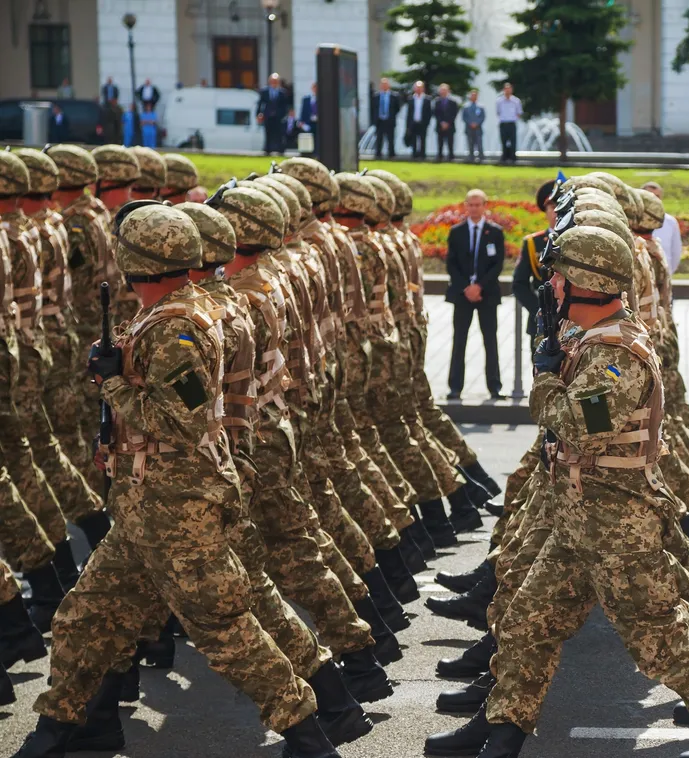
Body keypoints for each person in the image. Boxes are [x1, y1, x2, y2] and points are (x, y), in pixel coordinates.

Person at [9, 202, 341, 758]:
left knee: (225, 630)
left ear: (136, 260)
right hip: (147, 502)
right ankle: (63, 728)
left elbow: (180, 422)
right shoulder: (166, 313)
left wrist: (112, 384)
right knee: (83, 617)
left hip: (177, 507)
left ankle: (308, 735)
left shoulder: (180, 328)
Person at [477, 221, 689, 758]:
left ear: (585, 281)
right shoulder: (594, 338)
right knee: (527, 621)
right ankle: (502, 736)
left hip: (618, 522)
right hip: (579, 514)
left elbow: (578, 423)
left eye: (558, 277)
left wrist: (544, 378)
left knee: (659, 640)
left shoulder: (618, 357)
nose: (550, 286)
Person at [445, 189, 506, 400]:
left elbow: (498, 264)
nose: (474, 208)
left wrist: (479, 286)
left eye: (478, 204)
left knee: (490, 340)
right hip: (462, 295)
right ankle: (455, 387)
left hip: (486, 294)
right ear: (465, 206)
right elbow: (451, 264)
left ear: (485, 206)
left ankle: (494, 386)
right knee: (459, 340)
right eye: (470, 204)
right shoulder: (456, 232)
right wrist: (466, 287)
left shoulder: (495, 232)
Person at [513, 180, 557, 338]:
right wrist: (539, 309)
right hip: (541, 322)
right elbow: (519, 284)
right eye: (552, 207)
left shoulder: (580, 241)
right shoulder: (533, 243)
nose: (557, 212)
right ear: (545, 210)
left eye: (562, 206)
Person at [642, 181, 682, 274]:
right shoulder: (631, 221)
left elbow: (676, 252)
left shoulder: (670, 222)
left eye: (657, 196)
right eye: (649, 196)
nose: (654, 199)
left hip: (664, 277)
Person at [256, 73, 292, 156]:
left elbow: (285, 105)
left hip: (278, 116)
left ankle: (280, 150)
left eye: (276, 81)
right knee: (268, 132)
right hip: (267, 115)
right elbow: (260, 103)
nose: (274, 83)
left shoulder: (282, 92)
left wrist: (283, 114)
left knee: (279, 133)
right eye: (272, 81)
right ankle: (267, 149)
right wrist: (258, 114)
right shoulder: (264, 91)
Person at [371, 78, 400, 160]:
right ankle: (378, 154)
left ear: (388, 86)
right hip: (379, 121)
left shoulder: (394, 96)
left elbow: (397, 108)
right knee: (379, 138)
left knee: (390, 139)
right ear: (380, 86)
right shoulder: (376, 96)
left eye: (385, 84)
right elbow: (373, 109)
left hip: (389, 120)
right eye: (382, 84)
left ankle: (391, 154)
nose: (384, 86)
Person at [496, 83, 523, 164]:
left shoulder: (516, 101)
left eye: (509, 89)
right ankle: (504, 157)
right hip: (503, 123)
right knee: (503, 141)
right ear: (503, 90)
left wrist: (513, 118)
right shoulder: (499, 101)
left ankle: (513, 157)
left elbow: (519, 112)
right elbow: (498, 112)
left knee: (513, 141)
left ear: (511, 90)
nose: (507, 91)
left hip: (512, 123)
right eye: (506, 89)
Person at [405, 81, 431, 159]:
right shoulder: (411, 99)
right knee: (413, 140)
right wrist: (408, 125)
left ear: (423, 89)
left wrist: (427, 123)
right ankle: (414, 155)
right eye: (417, 88)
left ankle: (423, 155)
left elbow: (429, 113)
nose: (418, 89)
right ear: (414, 89)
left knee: (423, 139)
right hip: (413, 123)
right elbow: (409, 113)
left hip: (422, 123)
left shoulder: (427, 99)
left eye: (420, 88)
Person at [433, 84, 459, 162]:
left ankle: (451, 156)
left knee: (450, 142)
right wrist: (441, 122)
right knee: (440, 142)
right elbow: (436, 114)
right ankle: (440, 156)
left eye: (445, 90)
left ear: (448, 91)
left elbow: (454, 114)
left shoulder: (453, 102)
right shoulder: (437, 102)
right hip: (440, 125)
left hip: (450, 125)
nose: (443, 92)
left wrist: (448, 123)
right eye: (442, 90)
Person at [461, 90, 485, 163]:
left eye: (475, 95)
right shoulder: (466, 106)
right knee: (470, 143)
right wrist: (470, 123)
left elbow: (482, 117)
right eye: (472, 95)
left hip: (478, 128)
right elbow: (464, 117)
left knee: (479, 143)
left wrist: (477, 123)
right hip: (469, 128)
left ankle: (481, 157)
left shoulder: (481, 107)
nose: (473, 97)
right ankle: (471, 157)